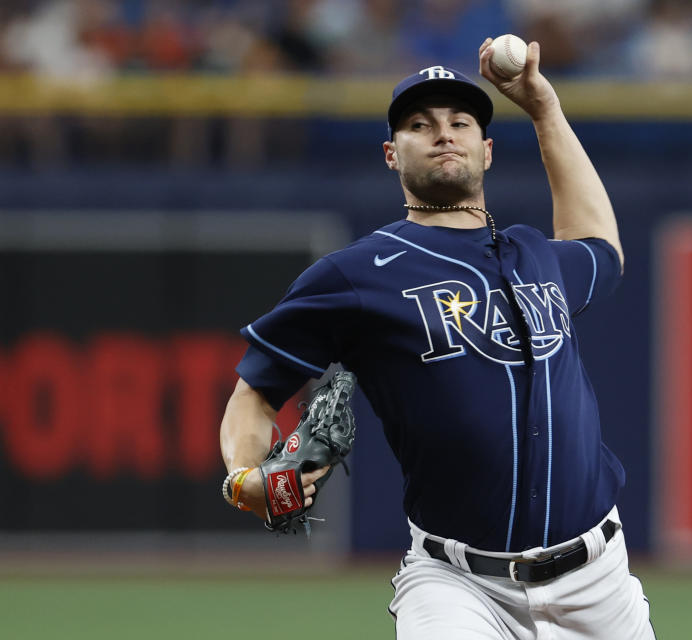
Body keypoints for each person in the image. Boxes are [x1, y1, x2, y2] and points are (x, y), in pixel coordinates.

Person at [219, 37, 655, 639]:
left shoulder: (535, 253)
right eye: (420, 125)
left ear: (487, 149)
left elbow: (600, 245)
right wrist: (244, 476)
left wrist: (545, 110)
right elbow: (254, 392)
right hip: (458, 585)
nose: (444, 133)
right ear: (392, 155)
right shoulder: (356, 273)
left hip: (599, 582)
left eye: (460, 121)